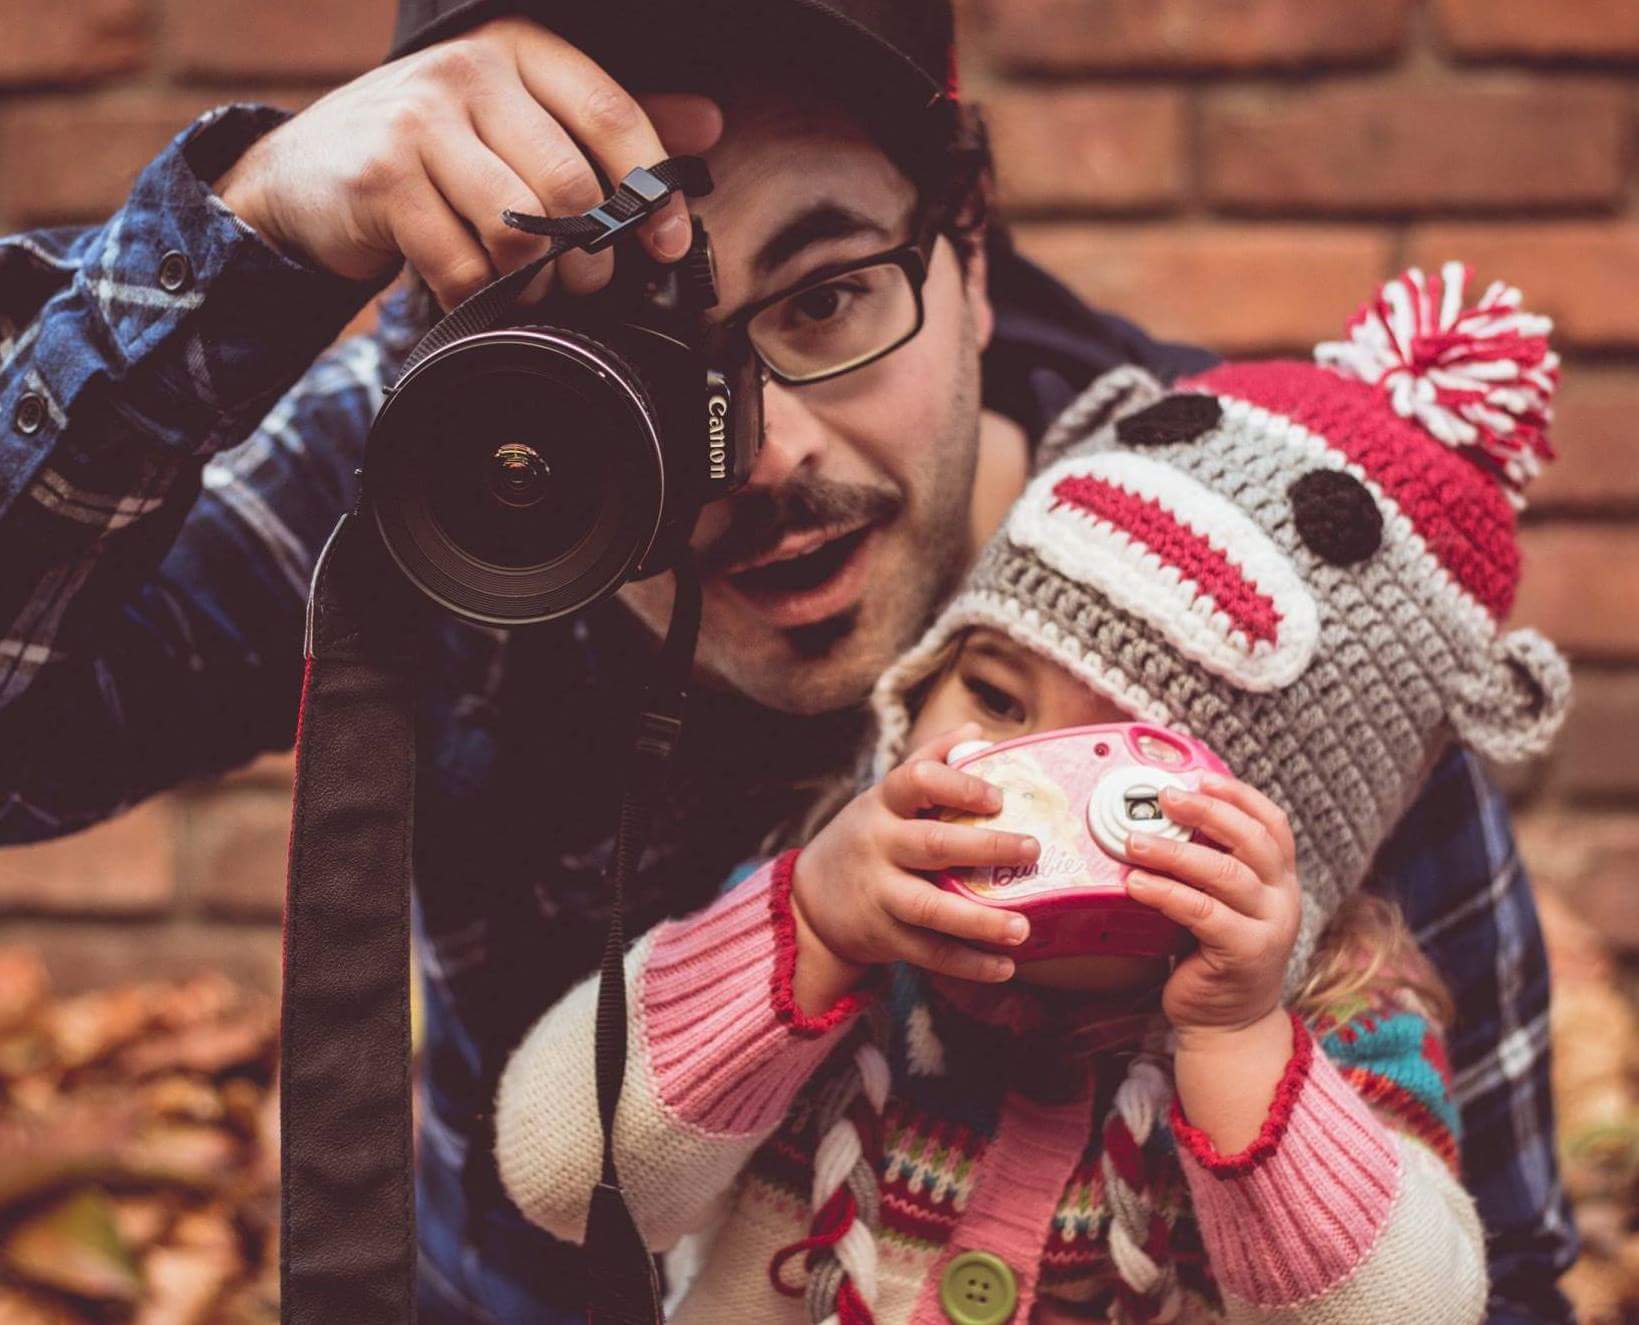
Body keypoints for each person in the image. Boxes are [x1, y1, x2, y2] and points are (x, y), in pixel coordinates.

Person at [0, 0, 1577, 1318]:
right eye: (627, 353)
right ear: (474, 361)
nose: (754, 453)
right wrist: (248, 234)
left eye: (825, 297)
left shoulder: (1270, 578)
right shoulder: (456, 479)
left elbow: (1483, 1275)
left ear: (969, 250)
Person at [494, 267, 1569, 1323]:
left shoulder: (1337, 1032)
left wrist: (1239, 1048)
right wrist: (811, 920)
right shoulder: (818, 941)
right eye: (995, 693)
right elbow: (562, 1176)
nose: (1029, 779)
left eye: (1127, 771)